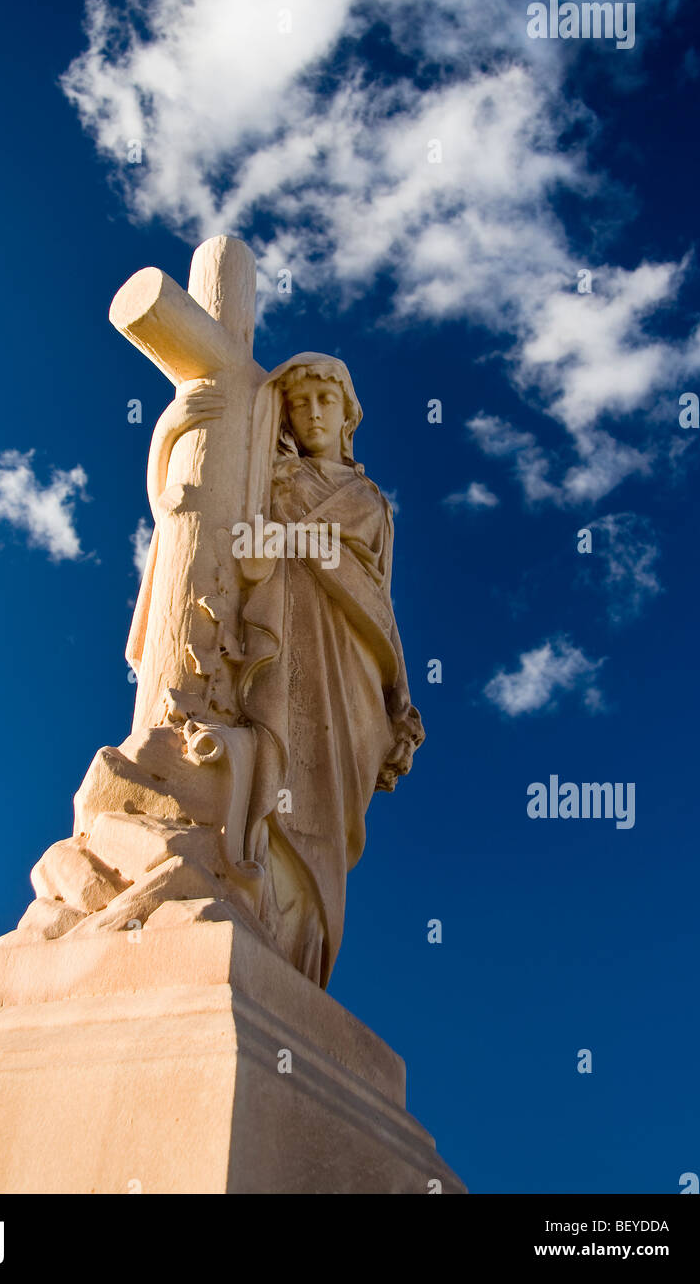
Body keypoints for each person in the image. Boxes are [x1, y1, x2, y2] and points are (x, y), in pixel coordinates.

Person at [238, 353, 424, 985]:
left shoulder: (368, 498)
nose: (312, 413)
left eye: (326, 402)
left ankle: (299, 960)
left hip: (351, 663)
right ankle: (260, 919)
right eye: (300, 403)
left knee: (331, 803)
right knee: (275, 769)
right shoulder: (274, 477)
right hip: (287, 636)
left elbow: (379, 594)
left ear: (348, 417)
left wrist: (398, 692)